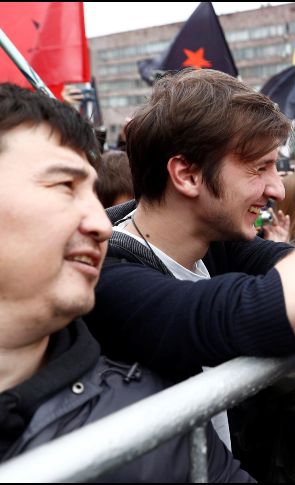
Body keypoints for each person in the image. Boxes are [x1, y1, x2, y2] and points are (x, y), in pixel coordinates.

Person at [83, 68, 295, 483]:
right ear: (187, 175)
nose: (276, 189)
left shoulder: (215, 243)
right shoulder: (109, 279)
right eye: (259, 168)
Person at [0, 83, 251, 481]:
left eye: (91, 194)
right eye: (65, 186)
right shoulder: (123, 276)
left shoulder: (158, 427)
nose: (101, 224)